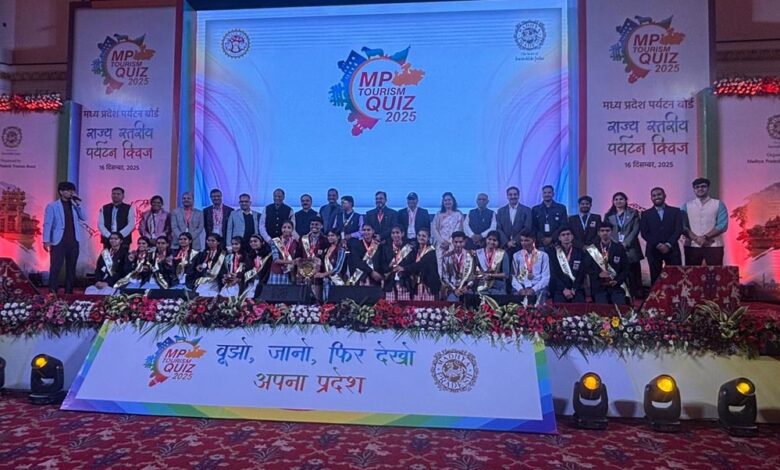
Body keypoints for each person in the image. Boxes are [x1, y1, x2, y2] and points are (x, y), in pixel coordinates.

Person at [43, 181, 86, 294]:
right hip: (58, 241)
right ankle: (52, 292)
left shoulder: (74, 205)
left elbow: (84, 217)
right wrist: (46, 240)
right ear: (61, 192)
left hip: (74, 241)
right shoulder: (53, 206)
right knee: (55, 267)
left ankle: (69, 292)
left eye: (72, 190)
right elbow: (47, 224)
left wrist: (78, 205)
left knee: (71, 268)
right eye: (68, 190)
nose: (71, 193)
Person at [639, 187, 683, 285]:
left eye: (659, 194)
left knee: (675, 277)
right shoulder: (645, 214)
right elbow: (645, 233)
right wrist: (658, 245)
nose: (657, 197)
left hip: (672, 249)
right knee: (656, 279)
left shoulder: (675, 211)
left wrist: (668, 244)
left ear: (664, 196)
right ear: (651, 198)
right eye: (654, 195)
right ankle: (657, 295)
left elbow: (678, 230)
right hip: (654, 250)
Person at [604, 192, 643, 299]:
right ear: (613, 202)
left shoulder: (633, 213)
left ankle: (637, 295)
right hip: (615, 248)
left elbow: (635, 229)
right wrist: (617, 245)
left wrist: (626, 243)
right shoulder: (609, 215)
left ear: (626, 201)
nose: (618, 201)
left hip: (631, 247)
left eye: (621, 199)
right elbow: (607, 231)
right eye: (616, 199)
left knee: (634, 273)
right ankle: (621, 296)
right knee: (618, 272)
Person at [682, 177, 728, 266]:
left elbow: (722, 225)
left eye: (703, 186)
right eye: (697, 187)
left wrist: (705, 237)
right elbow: (683, 226)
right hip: (692, 246)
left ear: (708, 188)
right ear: (694, 189)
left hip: (714, 245)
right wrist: (696, 239)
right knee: (692, 273)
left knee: (715, 273)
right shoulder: (686, 206)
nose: (700, 189)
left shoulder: (719, 204)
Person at [586, 222, 629, 305]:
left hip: (616, 286)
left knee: (620, 306)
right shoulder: (592, 249)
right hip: (599, 286)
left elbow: (626, 268)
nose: (605, 233)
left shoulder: (619, 248)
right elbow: (587, 267)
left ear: (611, 232)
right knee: (602, 307)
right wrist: (598, 274)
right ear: (598, 233)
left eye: (607, 230)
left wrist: (617, 280)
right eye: (602, 231)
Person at [547, 225, 592, 303]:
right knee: (559, 305)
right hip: (560, 289)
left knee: (579, 303)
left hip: (576, 288)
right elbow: (553, 274)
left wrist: (574, 288)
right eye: (563, 235)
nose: (566, 237)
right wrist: (564, 289)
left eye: (568, 234)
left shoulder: (580, 253)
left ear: (572, 236)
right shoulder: (553, 253)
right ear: (559, 238)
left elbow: (581, 274)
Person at [394, 228, 441, 301]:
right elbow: (408, 261)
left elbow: (420, 265)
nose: (421, 237)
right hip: (416, 284)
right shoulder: (415, 248)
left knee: (429, 306)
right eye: (419, 235)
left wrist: (404, 268)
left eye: (424, 236)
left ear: (428, 238)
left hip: (429, 284)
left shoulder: (431, 250)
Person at [511, 229, 550, 305]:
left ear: (534, 240)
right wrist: (520, 289)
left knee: (540, 303)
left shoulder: (543, 256)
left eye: (526, 240)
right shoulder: (516, 255)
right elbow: (513, 277)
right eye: (522, 240)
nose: (523, 243)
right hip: (521, 286)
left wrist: (533, 289)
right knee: (515, 307)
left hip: (538, 287)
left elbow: (546, 277)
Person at [431, 192, 464, 275]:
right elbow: (434, 229)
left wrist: (449, 242)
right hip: (441, 244)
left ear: (453, 201)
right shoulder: (438, 214)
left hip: (454, 244)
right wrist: (442, 242)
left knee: (453, 264)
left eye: (449, 200)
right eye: (445, 200)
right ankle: (441, 281)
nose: (447, 202)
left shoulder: (458, 214)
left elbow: (459, 229)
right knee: (440, 264)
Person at [380, 225, 415, 301]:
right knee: (389, 306)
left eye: (397, 232)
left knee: (405, 306)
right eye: (393, 233)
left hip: (405, 283)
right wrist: (389, 266)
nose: (395, 235)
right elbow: (382, 266)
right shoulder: (385, 249)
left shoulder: (409, 248)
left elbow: (413, 265)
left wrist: (403, 268)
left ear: (402, 234)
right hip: (390, 283)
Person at [495, 186, 532, 255]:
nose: (513, 196)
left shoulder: (527, 210)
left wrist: (515, 241)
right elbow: (498, 228)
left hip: (521, 246)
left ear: (518, 196)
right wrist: (507, 242)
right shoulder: (500, 211)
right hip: (505, 246)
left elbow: (527, 227)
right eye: (510, 194)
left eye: (515, 194)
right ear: (507, 196)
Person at [440, 231, 476, 301]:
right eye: (456, 242)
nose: (458, 244)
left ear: (464, 242)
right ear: (452, 242)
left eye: (460, 242)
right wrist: (454, 289)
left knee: (471, 300)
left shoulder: (470, 255)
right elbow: (445, 277)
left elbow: (473, 275)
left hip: (467, 287)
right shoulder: (447, 257)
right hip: (453, 288)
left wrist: (467, 287)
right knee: (452, 302)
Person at [473, 230, 510, 295]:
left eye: (494, 240)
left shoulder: (503, 254)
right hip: (482, 286)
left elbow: (506, 275)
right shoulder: (478, 253)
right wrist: (481, 275)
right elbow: (474, 273)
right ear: (486, 239)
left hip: (498, 287)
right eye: (489, 239)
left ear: (498, 242)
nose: (491, 242)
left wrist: (491, 275)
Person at [532, 185, 568, 249]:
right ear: (542, 194)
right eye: (545, 193)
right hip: (540, 243)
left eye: (549, 192)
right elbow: (533, 226)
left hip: (557, 243)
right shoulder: (535, 209)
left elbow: (563, 225)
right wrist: (542, 238)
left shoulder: (561, 208)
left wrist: (552, 238)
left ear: (553, 194)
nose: (547, 194)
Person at [315, 229, 346, 301]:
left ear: (338, 237)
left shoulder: (341, 249)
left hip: (337, 281)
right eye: (328, 236)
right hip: (326, 281)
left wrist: (323, 274)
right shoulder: (326, 249)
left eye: (332, 235)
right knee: (326, 302)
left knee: (336, 302)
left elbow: (338, 268)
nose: (330, 237)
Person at [269, 220, 299, 285]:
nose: (286, 229)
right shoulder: (275, 241)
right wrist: (292, 261)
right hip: (277, 273)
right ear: (281, 229)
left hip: (289, 274)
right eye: (284, 227)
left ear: (292, 230)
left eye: (289, 227)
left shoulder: (295, 242)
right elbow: (276, 260)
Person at [243, 234, 272, 298]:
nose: (253, 243)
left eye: (255, 241)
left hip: (263, 283)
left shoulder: (268, 256)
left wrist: (261, 282)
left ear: (262, 242)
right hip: (251, 283)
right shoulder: (250, 256)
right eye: (251, 242)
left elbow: (268, 271)